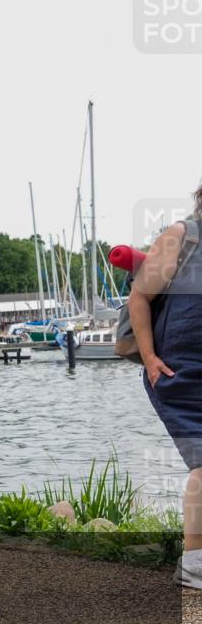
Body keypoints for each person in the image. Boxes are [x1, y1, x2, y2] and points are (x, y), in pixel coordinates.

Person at [129, 182, 202, 589]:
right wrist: (150, 357)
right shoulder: (181, 236)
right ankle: (194, 564)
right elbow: (138, 298)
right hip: (182, 374)